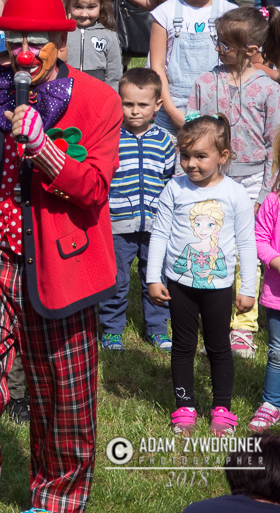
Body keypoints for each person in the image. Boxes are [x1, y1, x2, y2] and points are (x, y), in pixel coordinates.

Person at [0, 0, 122, 513]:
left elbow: (94, 190)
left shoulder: (98, 99)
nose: (24, 51)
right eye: (15, 38)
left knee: (64, 396)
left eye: (37, 40)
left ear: (60, 41)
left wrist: (45, 152)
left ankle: (56, 500)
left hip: (63, 265)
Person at [147, 115, 256, 436]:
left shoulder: (236, 194)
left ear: (223, 156)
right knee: (183, 345)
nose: (190, 164)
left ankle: (222, 408)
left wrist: (248, 288)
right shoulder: (174, 188)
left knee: (218, 346)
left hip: (219, 288)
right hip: (179, 285)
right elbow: (160, 234)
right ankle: (184, 407)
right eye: (185, 155)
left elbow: (246, 243)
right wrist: (153, 277)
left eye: (200, 156)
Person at [188, 6, 280, 358]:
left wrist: (265, 193)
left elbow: (275, 144)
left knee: (247, 254)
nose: (218, 48)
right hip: (212, 178)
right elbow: (192, 130)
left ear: (250, 49)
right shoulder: (204, 82)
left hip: (253, 179)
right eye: (218, 41)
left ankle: (243, 327)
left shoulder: (268, 89)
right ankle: (212, 323)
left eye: (226, 44)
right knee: (211, 248)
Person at [101, 68, 175, 352]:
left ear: (157, 105)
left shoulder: (165, 141)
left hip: (156, 227)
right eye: (128, 103)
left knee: (154, 277)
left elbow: (169, 181)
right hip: (118, 224)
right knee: (117, 280)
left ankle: (157, 328)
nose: (134, 111)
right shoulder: (111, 138)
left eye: (142, 104)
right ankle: (112, 329)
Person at [149, 0, 236, 133]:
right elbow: (157, 67)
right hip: (173, 106)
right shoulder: (165, 12)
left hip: (217, 107)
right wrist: (171, 111)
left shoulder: (229, 12)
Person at [253, 145, 280, 433]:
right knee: (278, 351)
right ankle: (272, 403)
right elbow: (259, 239)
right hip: (279, 296)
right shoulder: (274, 201)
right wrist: (277, 262)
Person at [62, 0, 122, 89]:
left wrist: (112, 96)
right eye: (78, 7)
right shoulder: (62, 34)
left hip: (97, 93)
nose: (84, 14)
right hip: (66, 92)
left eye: (91, 7)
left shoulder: (109, 36)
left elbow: (114, 74)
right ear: (69, 4)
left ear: (101, 5)